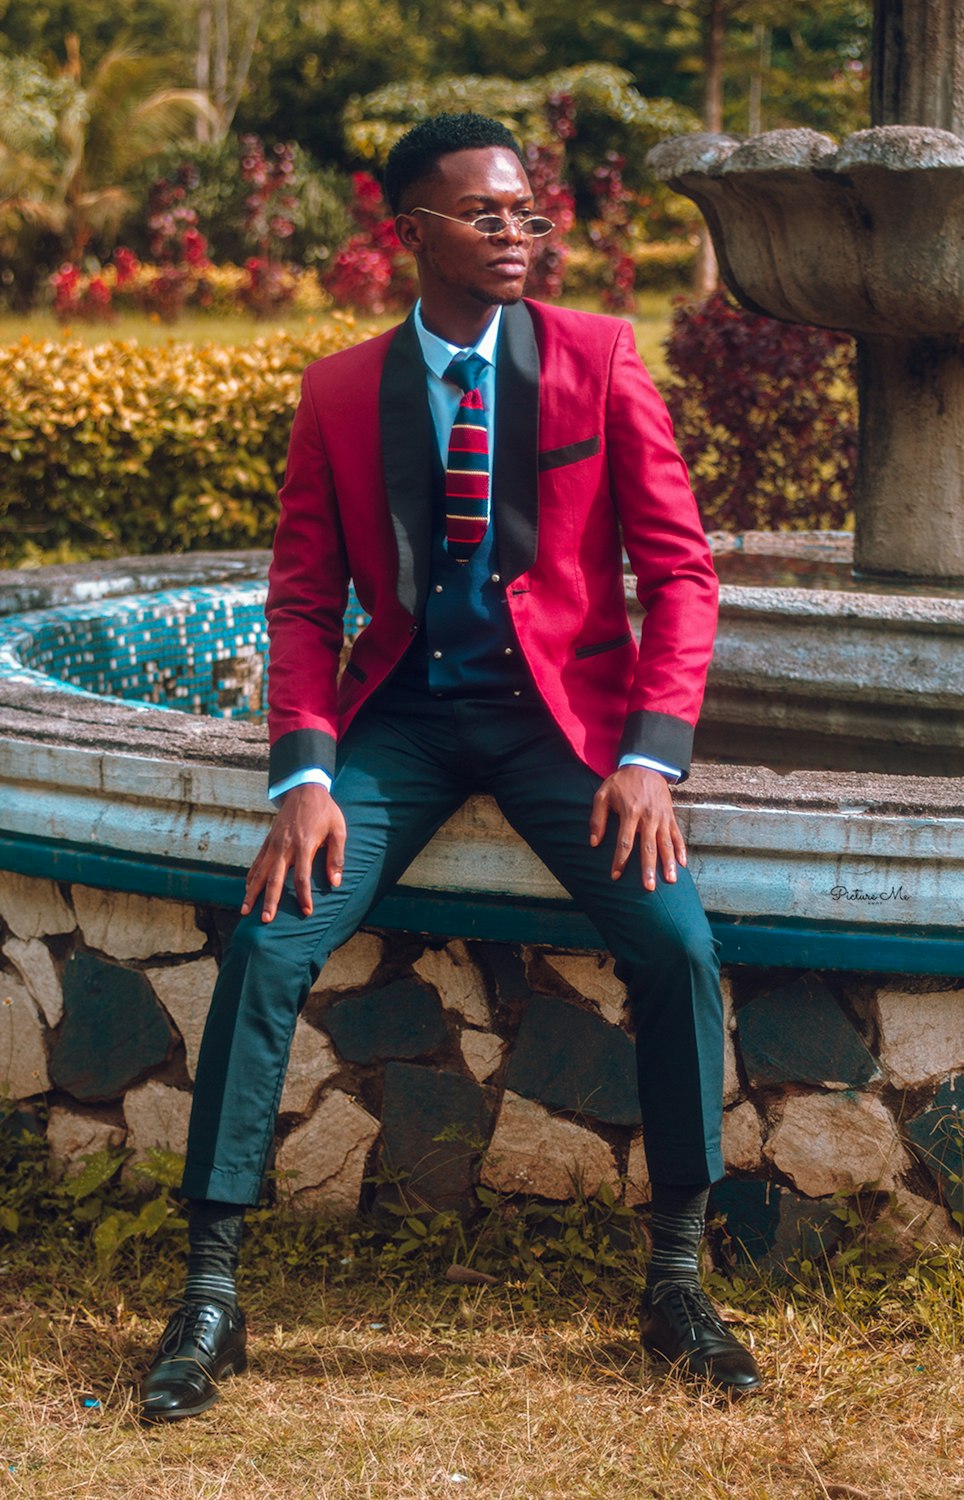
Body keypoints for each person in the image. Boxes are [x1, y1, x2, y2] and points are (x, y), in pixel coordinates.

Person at [138, 111, 762, 1422]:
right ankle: (209, 1295)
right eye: (484, 211)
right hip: (404, 721)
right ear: (410, 230)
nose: (517, 229)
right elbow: (306, 599)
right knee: (267, 939)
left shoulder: (597, 359)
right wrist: (302, 772)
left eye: (526, 207)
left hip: (565, 729)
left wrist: (652, 755)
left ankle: (679, 1280)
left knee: (679, 945)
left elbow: (681, 573)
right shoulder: (342, 392)